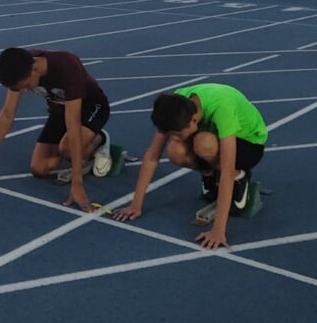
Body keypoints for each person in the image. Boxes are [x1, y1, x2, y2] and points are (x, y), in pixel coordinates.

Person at [112, 83, 268, 250]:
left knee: (204, 143)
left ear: (194, 120)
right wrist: (135, 204)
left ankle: (241, 177)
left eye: (178, 134)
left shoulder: (222, 108)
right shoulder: (174, 106)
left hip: (249, 143)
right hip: (212, 136)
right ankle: (209, 172)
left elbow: (227, 171)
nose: (176, 137)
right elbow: (152, 156)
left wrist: (218, 230)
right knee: (175, 150)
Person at [0, 47, 115, 212]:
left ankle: (100, 139)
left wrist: (76, 184)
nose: (24, 91)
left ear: (35, 69)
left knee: (68, 149)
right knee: (39, 169)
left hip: (91, 106)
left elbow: (72, 124)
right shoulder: (20, 67)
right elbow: (7, 114)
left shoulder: (67, 65)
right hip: (59, 110)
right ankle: (80, 146)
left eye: (26, 86)